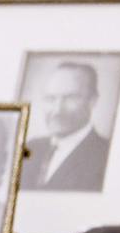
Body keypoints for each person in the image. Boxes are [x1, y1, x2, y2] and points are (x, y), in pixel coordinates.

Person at [18, 61, 111, 191]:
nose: (57, 110)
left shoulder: (107, 155)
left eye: (70, 98)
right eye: (51, 99)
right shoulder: (30, 148)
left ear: (92, 100)